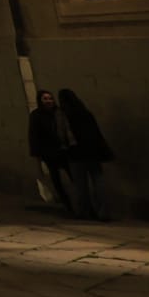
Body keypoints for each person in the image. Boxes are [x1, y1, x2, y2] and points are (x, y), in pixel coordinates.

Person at [57, 90, 114, 221]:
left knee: (80, 184)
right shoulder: (85, 112)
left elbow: (62, 135)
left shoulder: (64, 114)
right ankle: (103, 212)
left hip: (76, 153)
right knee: (98, 181)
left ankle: (83, 211)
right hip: (92, 151)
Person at [28, 89, 73, 215]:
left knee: (73, 176)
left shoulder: (59, 113)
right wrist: (37, 157)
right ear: (40, 101)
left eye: (50, 98)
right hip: (49, 153)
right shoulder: (36, 115)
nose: (49, 101)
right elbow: (34, 136)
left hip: (64, 151)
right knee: (56, 180)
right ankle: (67, 205)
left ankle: (79, 203)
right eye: (45, 99)